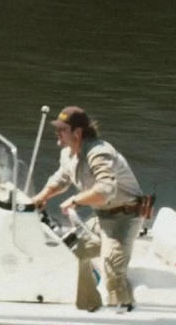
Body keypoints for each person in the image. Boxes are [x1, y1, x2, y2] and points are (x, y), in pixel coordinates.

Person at [27, 107, 147, 312]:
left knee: (112, 269)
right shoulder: (68, 154)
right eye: (57, 128)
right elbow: (61, 179)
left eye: (62, 129)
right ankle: (89, 307)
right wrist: (41, 197)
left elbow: (106, 190)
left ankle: (123, 314)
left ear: (78, 132)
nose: (57, 133)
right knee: (73, 254)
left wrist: (75, 200)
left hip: (124, 218)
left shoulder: (99, 153)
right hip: (101, 217)